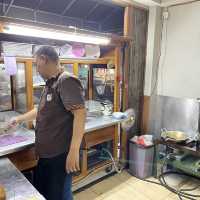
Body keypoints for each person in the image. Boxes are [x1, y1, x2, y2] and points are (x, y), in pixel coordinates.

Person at [9, 46, 86, 200]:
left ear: (44, 59)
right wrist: (19, 119)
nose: (37, 69)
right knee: (48, 194)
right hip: (48, 154)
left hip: (61, 154)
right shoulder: (51, 83)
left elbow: (80, 114)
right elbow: (41, 109)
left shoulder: (66, 80)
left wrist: (73, 152)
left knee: (60, 195)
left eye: (37, 64)